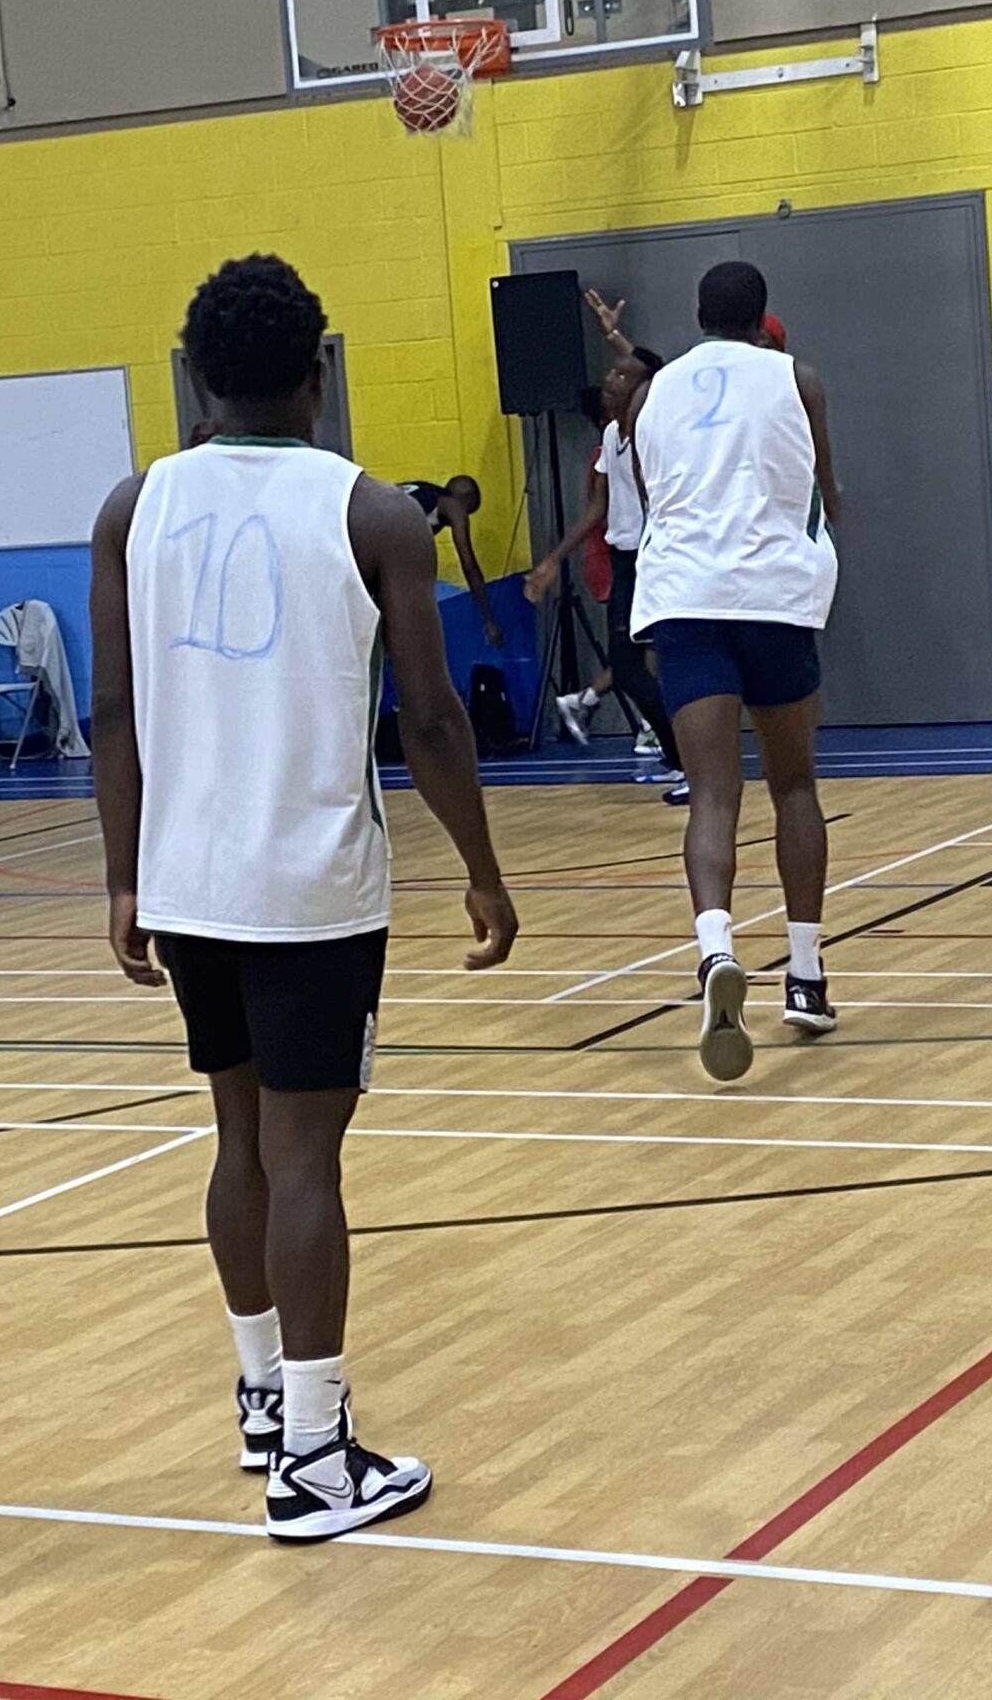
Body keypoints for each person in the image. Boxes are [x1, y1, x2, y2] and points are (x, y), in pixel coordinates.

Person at [92, 254, 517, 1543]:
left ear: (196, 380)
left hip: (187, 881)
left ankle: (263, 1400)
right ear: (317, 375)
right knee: (304, 1161)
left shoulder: (131, 507)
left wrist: (121, 875)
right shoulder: (374, 513)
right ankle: (318, 1462)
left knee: (239, 1144)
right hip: (310, 887)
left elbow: (113, 711)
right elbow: (430, 719)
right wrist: (482, 870)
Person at [631, 260, 841, 1079]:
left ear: (697, 314)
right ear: (763, 316)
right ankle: (806, 976)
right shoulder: (798, 378)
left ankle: (716, 948)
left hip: (686, 598)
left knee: (712, 795)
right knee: (794, 786)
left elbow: (654, 498)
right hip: (773, 596)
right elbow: (823, 487)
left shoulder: (654, 393)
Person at [526, 343, 686, 800]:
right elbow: (598, 506)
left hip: (652, 559)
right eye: (612, 373)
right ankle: (678, 757)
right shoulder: (613, 434)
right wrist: (554, 558)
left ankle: (686, 758)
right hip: (624, 561)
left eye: (622, 375)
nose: (611, 380)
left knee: (637, 665)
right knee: (630, 665)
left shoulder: (653, 434)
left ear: (644, 391)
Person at [399, 474, 504, 646]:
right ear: (466, 498)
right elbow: (469, 565)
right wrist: (488, 617)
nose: (464, 518)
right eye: (468, 512)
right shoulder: (453, 505)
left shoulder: (423, 490)